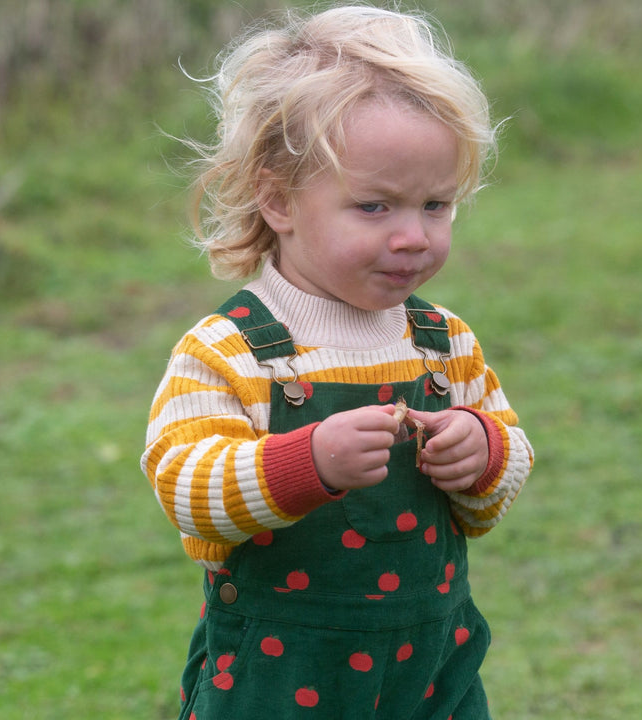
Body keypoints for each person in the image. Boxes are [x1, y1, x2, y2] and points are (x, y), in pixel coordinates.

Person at [141, 5, 533, 719]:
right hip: (279, 675)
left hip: (430, 666)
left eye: (436, 204)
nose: (414, 236)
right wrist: (306, 462)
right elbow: (183, 486)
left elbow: (502, 478)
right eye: (376, 207)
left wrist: (483, 451)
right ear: (279, 198)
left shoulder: (442, 342)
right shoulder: (227, 349)